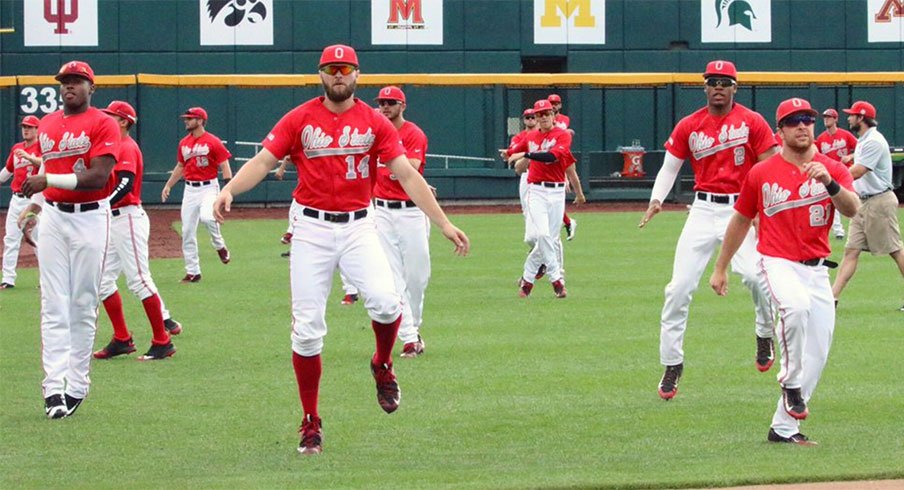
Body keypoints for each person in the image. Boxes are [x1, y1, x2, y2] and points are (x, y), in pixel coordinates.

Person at [212, 44, 469, 455]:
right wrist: (228, 188)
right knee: (308, 331)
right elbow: (263, 161)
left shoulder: (373, 121)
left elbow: (405, 173)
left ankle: (382, 363)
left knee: (387, 304)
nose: (338, 75)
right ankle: (311, 420)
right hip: (311, 227)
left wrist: (443, 222)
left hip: (359, 224)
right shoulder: (300, 117)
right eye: (331, 69)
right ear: (320, 74)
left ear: (357, 75)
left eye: (345, 69)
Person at [710, 97, 859, 445]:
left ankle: (783, 428)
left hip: (817, 269)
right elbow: (741, 220)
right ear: (779, 131)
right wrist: (721, 267)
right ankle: (790, 381)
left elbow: (853, 209)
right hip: (776, 261)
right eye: (793, 121)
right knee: (795, 308)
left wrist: (830, 184)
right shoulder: (761, 173)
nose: (802, 126)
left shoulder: (831, 168)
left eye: (807, 119)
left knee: (818, 351)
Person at [638, 60, 778, 400]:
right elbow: (670, 166)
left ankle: (764, 333)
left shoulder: (752, 121)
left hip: (741, 208)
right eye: (712, 81)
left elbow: (770, 164)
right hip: (702, 208)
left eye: (725, 81)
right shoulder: (691, 124)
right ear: (704, 87)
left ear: (735, 87)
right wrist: (657, 199)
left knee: (755, 277)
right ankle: (672, 362)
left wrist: (766, 209)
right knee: (678, 288)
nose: (718, 86)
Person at [17, 61, 120, 419]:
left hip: (91, 216)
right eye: (65, 82)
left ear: (92, 87)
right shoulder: (47, 124)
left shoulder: (104, 122)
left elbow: (98, 176)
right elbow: (49, 170)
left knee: (82, 301)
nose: (69, 87)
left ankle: (77, 384)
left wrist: (48, 184)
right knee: (52, 302)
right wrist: (35, 206)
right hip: (55, 218)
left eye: (77, 81)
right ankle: (53, 387)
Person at [92, 100, 182, 361]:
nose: (106, 118)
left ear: (123, 121)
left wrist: (102, 203)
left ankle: (162, 341)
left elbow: (126, 184)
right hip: (114, 219)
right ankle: (122, 339)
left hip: (128, 218)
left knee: (139, 280)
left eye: (111, 115)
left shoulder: (126, 146)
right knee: (102, 280)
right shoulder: (111, 144)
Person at [373, 85, 430, 358]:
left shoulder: (413, 133)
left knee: (417, 278)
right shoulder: (373, 133)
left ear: (402, 105)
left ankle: (414, 326)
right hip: (381, 211)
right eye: (382, 103)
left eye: (391, 102)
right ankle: (409, 337)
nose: (385, 107)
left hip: (412, 211)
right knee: (392, 278)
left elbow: (410, 169)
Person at [508, 99, 586, 299]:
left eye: (546, 114)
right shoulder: (531, 136)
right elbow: (514, 154)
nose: (542, 118)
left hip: (557, 191)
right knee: (542, 236)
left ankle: (527, 281)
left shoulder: (562, 135)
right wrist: (510, 154)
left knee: (548, 239)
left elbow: (551, 157)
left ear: (553, 115)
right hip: (537, 191)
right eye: (538, 114)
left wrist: (525, 154)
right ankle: (557, 280)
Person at [830, 101, 904, 310]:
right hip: (862, 203)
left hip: (879, 201)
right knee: (851, 251)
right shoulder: (865, 140)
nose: (849, 118)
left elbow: (859, 171)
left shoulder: (873, 141)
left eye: (852, 115)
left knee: (896, 250)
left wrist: (830, 179)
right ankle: (832, 298)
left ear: (861, 118)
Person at [161, 106, 233, 283]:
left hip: (209, 187)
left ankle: (219, 245)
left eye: (190, 118)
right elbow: (180, 166)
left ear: (200, 121)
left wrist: (227, 189)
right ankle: (193, 272)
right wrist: (168, 185)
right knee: (187, 231)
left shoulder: (213, 141)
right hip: (190, 189)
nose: (186, 120)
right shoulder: (184, 143)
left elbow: (224, 165)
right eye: (186, 118)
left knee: (208, 218)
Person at [276, 158, 360, 304]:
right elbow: (288, 156)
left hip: (339, 206)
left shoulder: (340, 152)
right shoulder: (309, 142)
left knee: (344, 256)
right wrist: (281, 168)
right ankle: (291, 234)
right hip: (311, 203)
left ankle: (351, 291)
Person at [0, 115, 42, 289]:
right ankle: (8, 279)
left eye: (30, 127)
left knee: (38, 240)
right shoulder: (17, 148)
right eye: (24, 126)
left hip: (35, 200)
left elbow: (45, 163)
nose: (26, 129)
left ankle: (45, 280)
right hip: (17, 199)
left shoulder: (41, 147)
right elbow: (8, 170)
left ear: (37, 130)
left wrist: (29, 157)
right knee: (11, 238)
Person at [815, 108, 858, 239]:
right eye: (825, 117)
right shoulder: (821, 138)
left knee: (853, 201)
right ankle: (839, 231)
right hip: (830, 175)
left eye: (829, 117)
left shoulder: (845, 135)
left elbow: (860, 149)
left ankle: (857, 229)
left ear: (835, 119)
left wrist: (850, 156)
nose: (826, 119)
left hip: (847, 173)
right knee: (833, 201)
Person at [548, 93, 577, 241]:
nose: (553, 105)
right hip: (546, 157)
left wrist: (567, 132)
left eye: (556, 103)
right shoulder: (544, 120)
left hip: (561, 156)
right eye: (551, 103)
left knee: (555, 199)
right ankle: (567, 222)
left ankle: (567, 222)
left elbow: (560, 133)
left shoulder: (564, 119)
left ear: (560, 105)